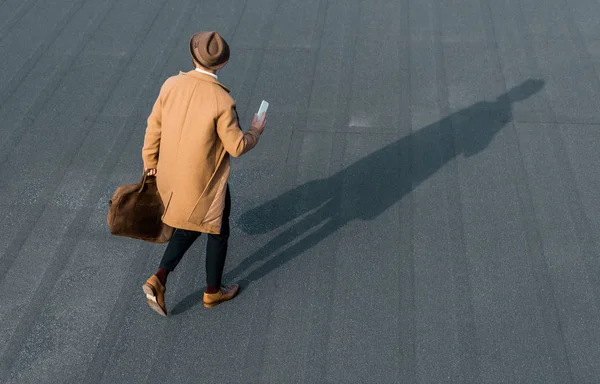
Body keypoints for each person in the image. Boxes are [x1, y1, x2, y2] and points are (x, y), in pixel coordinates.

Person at [140, 31, 267, 316]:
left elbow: (153, 128)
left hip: (171, 176)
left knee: (190, 224)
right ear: (221, 64)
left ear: (193, 56)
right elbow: (236, 146)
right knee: (217, 230)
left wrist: (150, 164)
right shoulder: (222, 102)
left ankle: (159, 277)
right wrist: (255, 130)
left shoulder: (171, 84)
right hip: (205, 182)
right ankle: (212, 292)